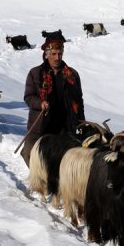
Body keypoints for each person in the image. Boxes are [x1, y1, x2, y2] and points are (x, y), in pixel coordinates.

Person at [20, 38, 85, 166]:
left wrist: (81, 122)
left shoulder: (72, 74)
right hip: (41, 125)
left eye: (60, 53)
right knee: (29, 152)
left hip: (66, 126)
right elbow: (28, 96)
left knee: (66, 161)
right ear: (46, 55)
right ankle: (40, 180)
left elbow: (79, 101)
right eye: (54, 54)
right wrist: (40, 103)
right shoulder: (35, 73)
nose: (57, 57)